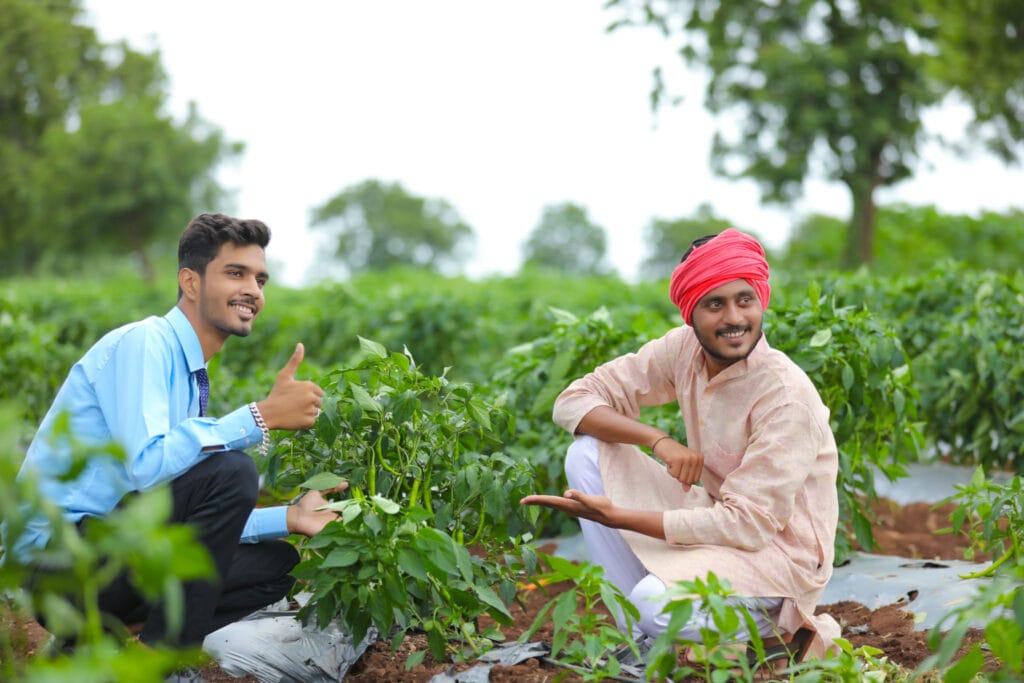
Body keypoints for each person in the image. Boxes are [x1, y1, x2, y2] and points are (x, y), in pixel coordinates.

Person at [8, 213, 343, 657]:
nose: (253, 291)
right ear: (190, 282)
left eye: (260, 279)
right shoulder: (145, 343)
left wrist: (290, 518)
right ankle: (159, 659)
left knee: (274, 566)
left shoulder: (190, 376)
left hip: (108, 554)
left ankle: (88, 644)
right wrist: (258, 416)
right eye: (235, 273)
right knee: (231, 472)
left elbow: (193, 517)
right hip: (58, 565)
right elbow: (147, 468)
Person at [521, 228, 841, 661]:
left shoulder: (785, 396)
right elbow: (573, 402)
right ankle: (643, 635)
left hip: (777, 557)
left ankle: (764, 636)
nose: (734, 318)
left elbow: (747, 526)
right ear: (691, 313)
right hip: (712, 515)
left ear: (760, 300)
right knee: (587, 453)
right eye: (715, 304)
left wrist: (623, 518)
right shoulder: (683, 350)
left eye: (744, 300)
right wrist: (657, 439)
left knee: (656, 603)